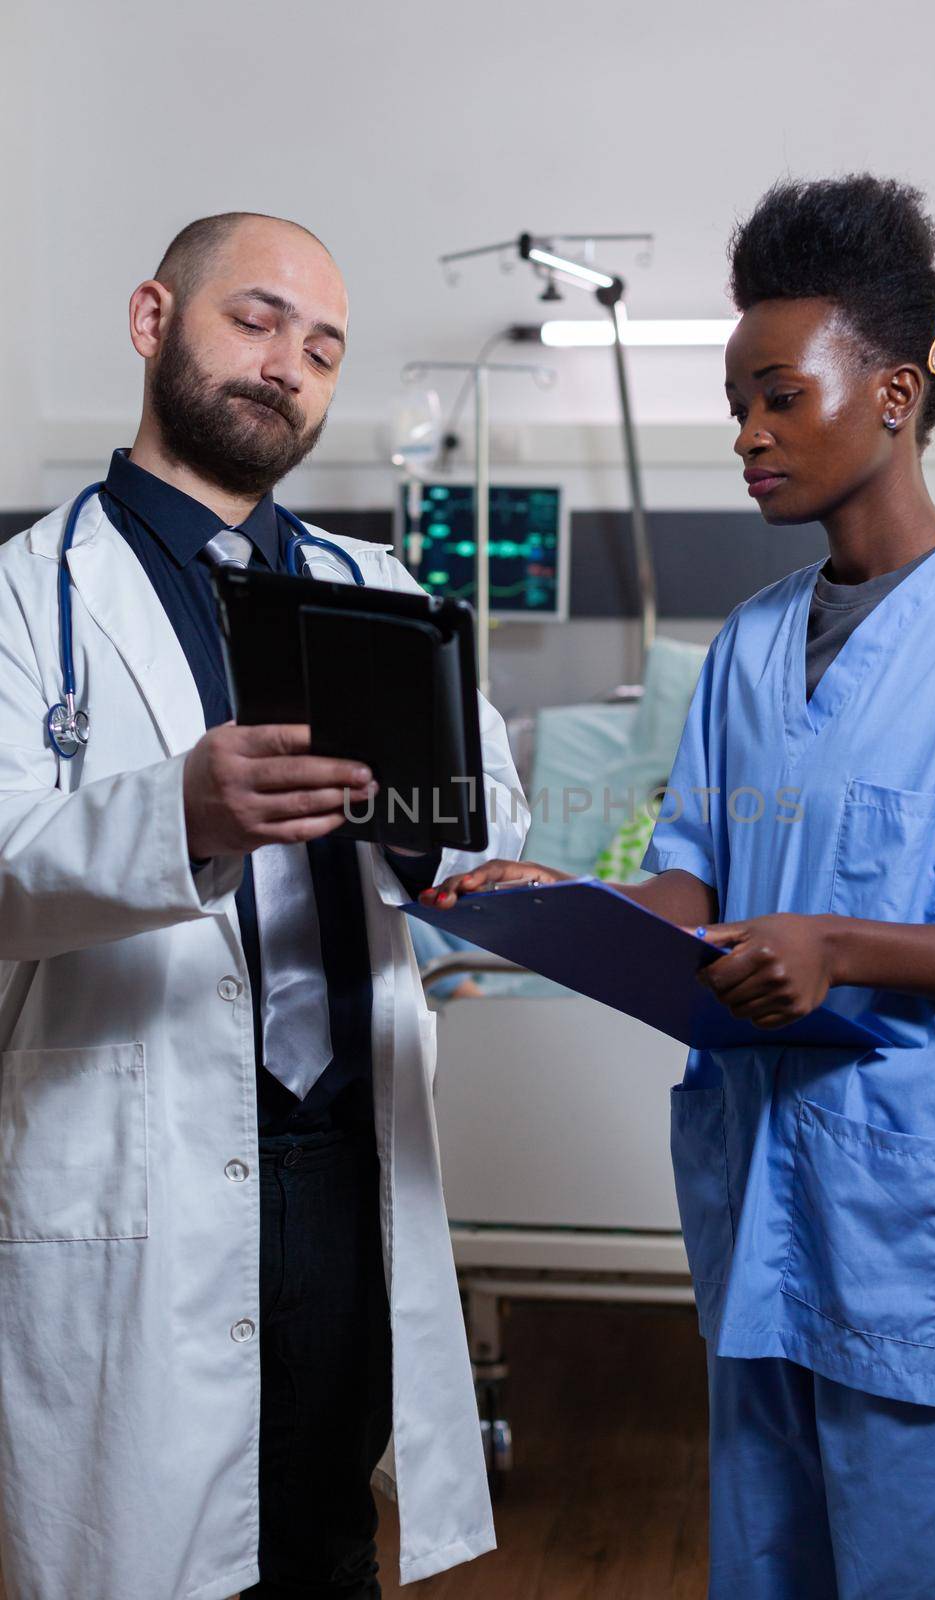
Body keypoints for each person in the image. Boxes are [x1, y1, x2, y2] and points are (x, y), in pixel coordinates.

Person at [422, 175, 935, 1597]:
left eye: (778, 396)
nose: (746, 435)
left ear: (893, 389)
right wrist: (558, 908)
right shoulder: (748, 648)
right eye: (734, 400)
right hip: (769, 1214)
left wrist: (839, 946)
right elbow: (695, 879)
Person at [0, 212, 527, 1600]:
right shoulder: (22, 600)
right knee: (150, 1565)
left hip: (344, 1163)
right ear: (150, 320)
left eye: (323, 346)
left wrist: (452, 844)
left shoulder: (381, 592)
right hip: (142, 1161)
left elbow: (492, 825)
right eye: (256, 318)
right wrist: (177, 813)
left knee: (324, 1548)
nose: (288, 362)